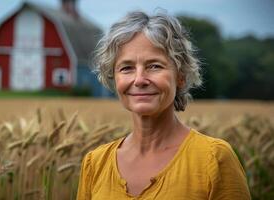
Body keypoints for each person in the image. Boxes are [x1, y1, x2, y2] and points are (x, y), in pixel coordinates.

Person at [76, 11, 250, 200]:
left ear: (180, 76)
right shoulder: (95, 164)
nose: (139, 80)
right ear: (114, 78)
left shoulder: (214, 159)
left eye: (154, 66)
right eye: (126, 68)